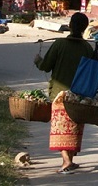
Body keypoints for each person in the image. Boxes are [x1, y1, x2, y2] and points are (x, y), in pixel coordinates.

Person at [34, 12, 94, 174]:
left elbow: (46, 66)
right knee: (74, 128)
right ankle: (70, 161)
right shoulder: (87, 48)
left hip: (60, 95)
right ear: (85, 28)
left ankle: (67, 162)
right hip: (80, 97)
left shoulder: (59, 44)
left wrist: (37, 60)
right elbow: (92, 73)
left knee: (61, 129)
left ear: (70, 25)